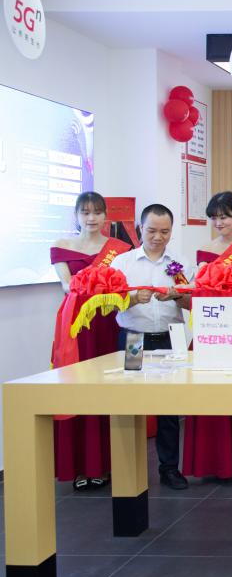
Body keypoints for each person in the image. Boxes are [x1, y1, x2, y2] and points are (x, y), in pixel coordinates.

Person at [111, 204, 191, 490]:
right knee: (129, 403)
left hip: (171, 338)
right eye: (152, 231)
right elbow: (110, 304)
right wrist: (133, 299)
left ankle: (169, 469)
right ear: (139, 229)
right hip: (135, 339)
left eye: (165, 231)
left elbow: (193, 302)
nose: (158, 237)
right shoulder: (123, 263)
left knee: (169, 406)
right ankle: (128, 470)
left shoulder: (180, 263)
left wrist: (176, 296)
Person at [50, 191, 125, 490]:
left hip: (108, 324)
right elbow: (67, 285)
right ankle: (80, 466)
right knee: (77, 386)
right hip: (77, 326)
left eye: (97, 212)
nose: (91, 218)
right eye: (85, 212)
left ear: (106, 215)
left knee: (108, 388)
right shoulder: (62, 246)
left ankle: (106, 465)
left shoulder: (119, 249)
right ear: (76, 215)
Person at [184, 191, 232, 481]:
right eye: (215, 218)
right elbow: (198, 291)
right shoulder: (204, 250)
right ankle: (211, 461)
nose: (219, 223)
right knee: (209, 390)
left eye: (225, 217)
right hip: (212, 326)